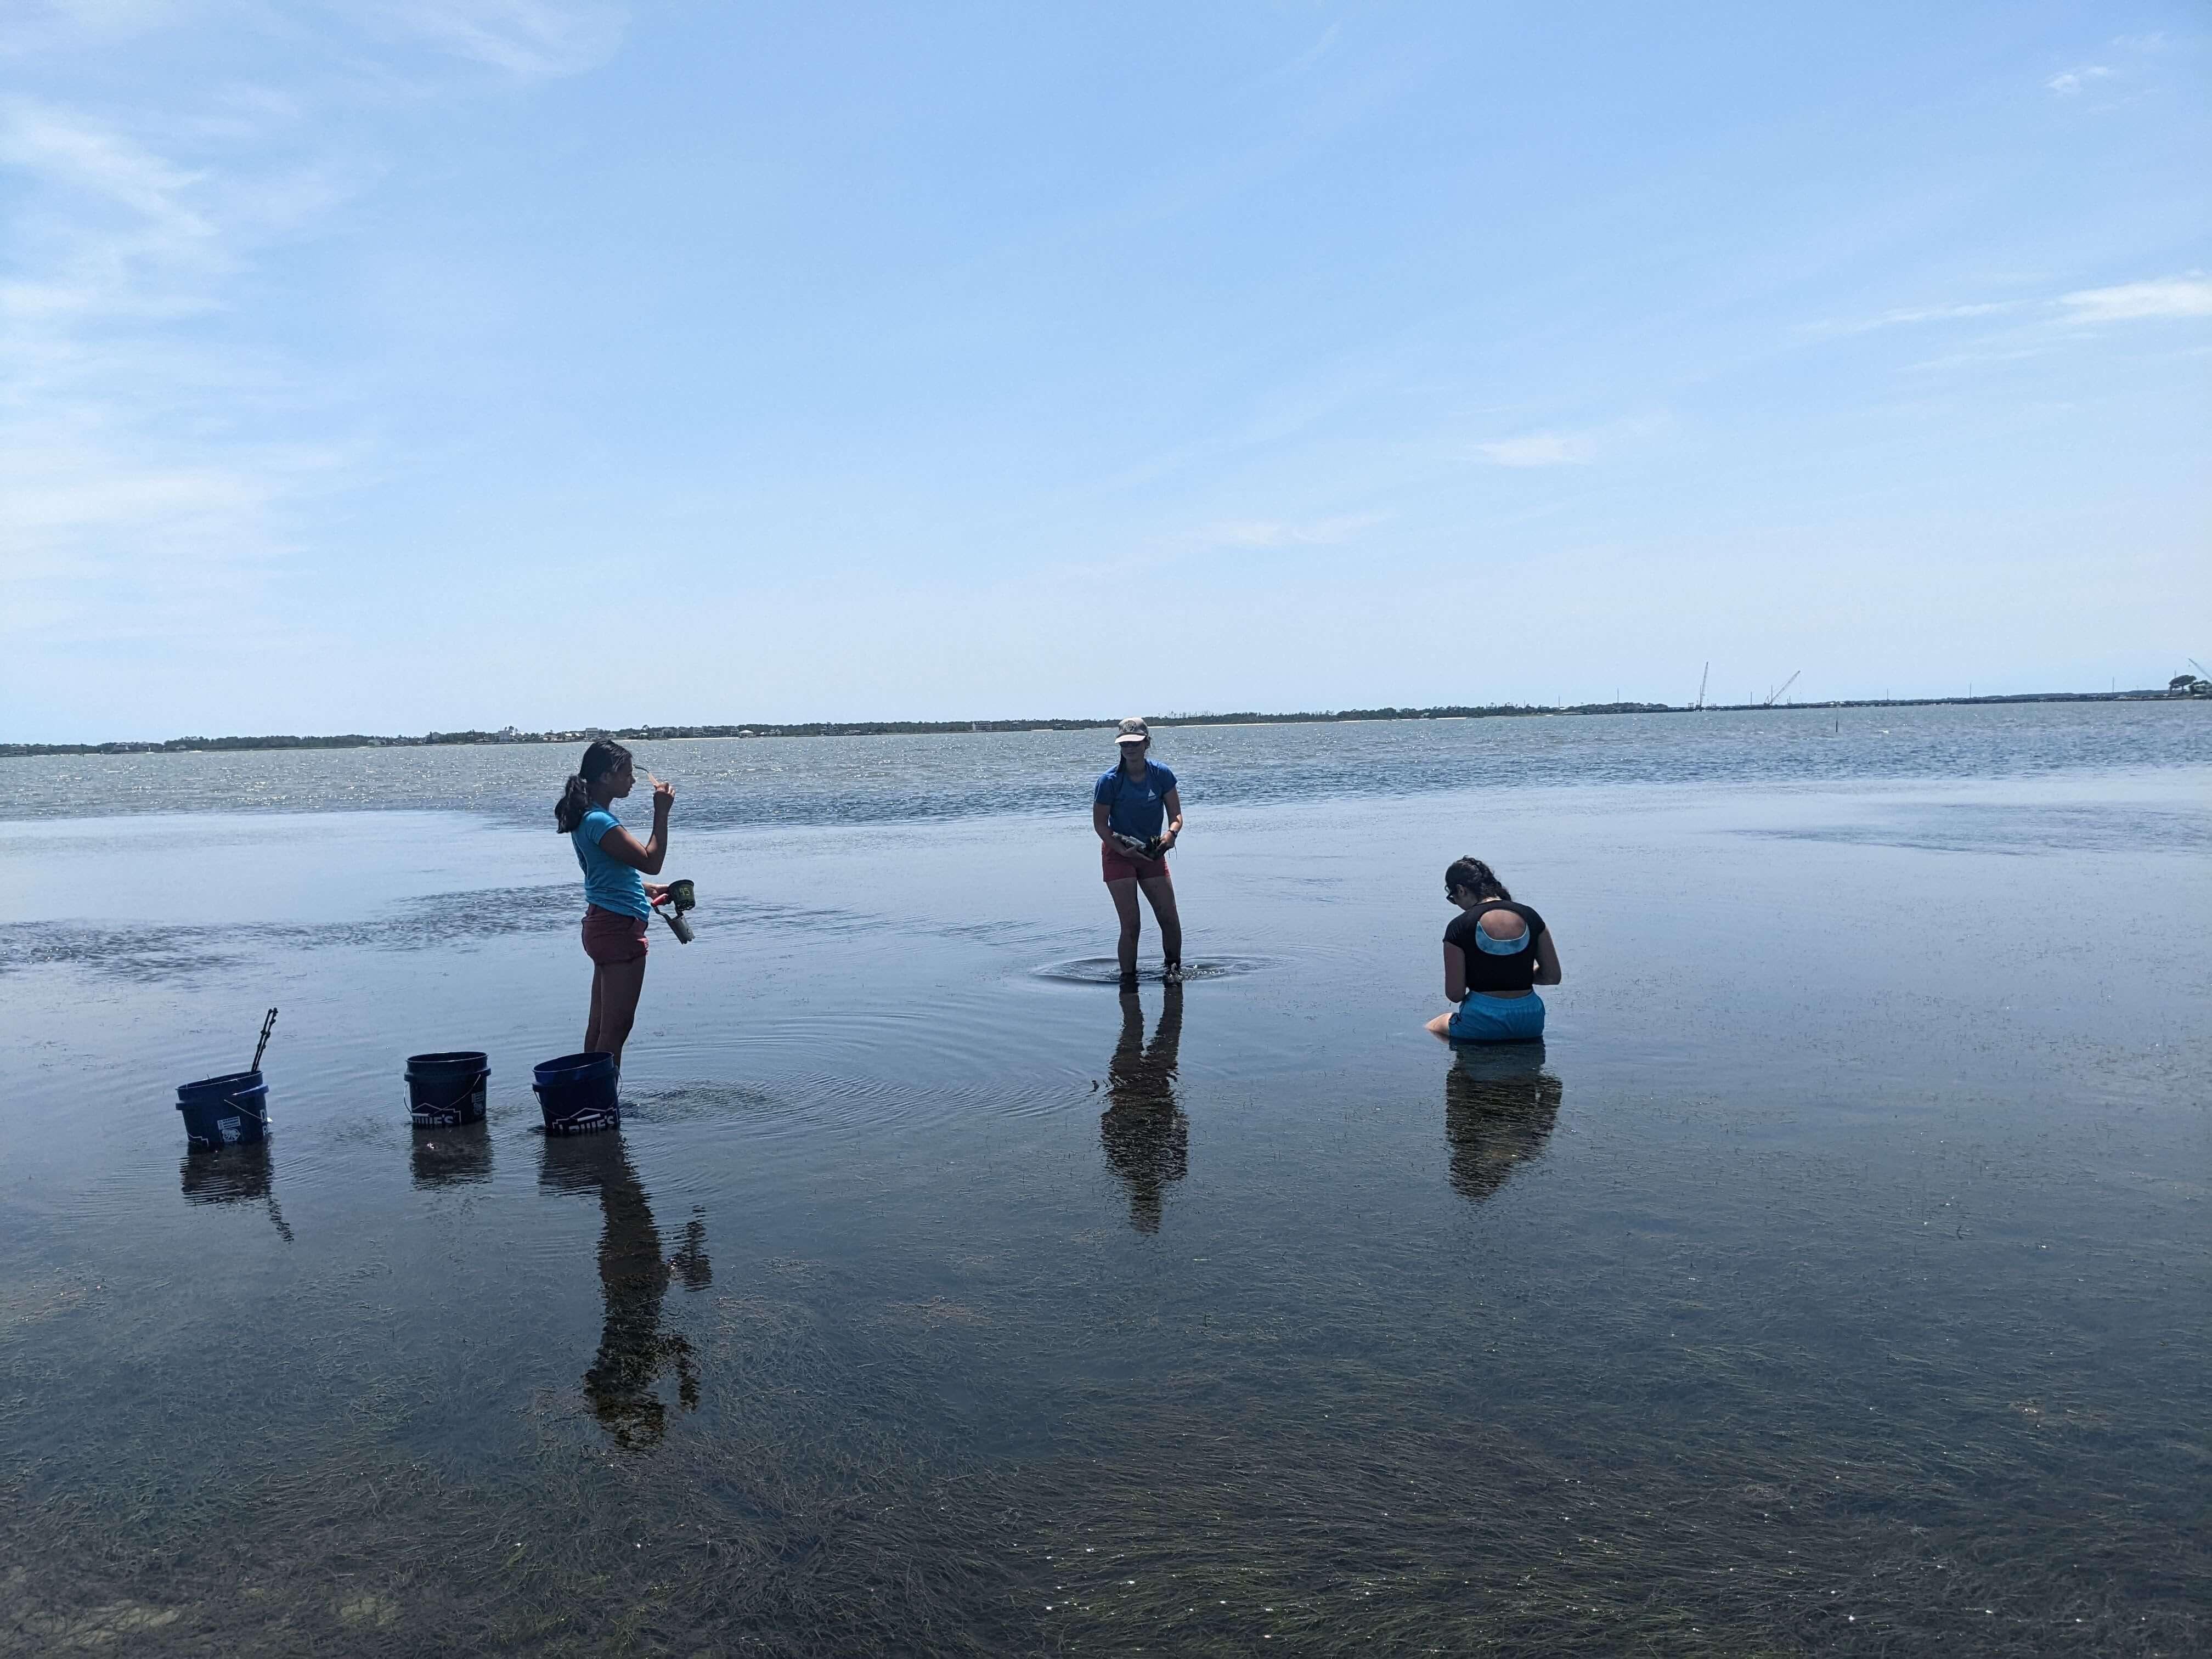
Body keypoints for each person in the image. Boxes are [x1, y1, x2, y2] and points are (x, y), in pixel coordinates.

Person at [554, 740, 675, 1067]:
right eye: (627, 774)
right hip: (617, 929)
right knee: (616, 1028)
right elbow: (651, 861)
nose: (633, 780)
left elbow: (607, 874)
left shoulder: (590, 817)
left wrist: (647, 891)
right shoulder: (599, 821)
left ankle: (588, 1099)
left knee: (600, 1026)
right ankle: (602, 1107)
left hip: (605, 923)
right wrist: (661, 812)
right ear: (606, 777)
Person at [1424, 856, 1561, 1043]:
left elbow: (1455, 995)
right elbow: (1552, 976)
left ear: (1461, 890)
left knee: (1433, 1025)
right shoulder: (1532, 917)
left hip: (1482, 1023)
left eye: (1453, 898)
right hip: (1530, 1023)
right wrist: (1513, 974)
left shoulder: (1459, 927)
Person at [1092, 717, 1184, 994]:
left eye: (1135, 742)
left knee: (1169, 917)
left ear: (1146, 743)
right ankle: (1129, 983)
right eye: (1124, 743)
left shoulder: (1161, 774)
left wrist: (1170, 837)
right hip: (1118, 853)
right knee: (1132, 924)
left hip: (1152, 851)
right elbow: (1100, 825)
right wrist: (1122, 849)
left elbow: (1176, 816)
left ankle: (1173, 970)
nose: (1129, 748)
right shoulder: (1109, 781)